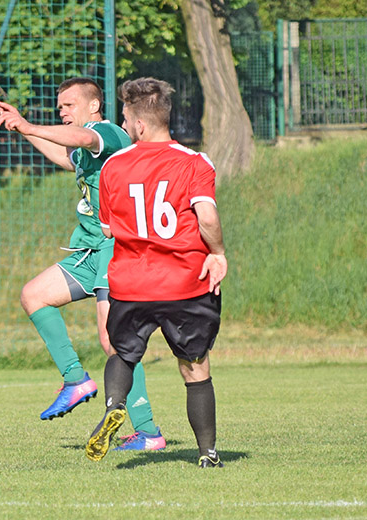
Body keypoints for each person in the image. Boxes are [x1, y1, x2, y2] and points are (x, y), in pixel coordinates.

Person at [0, 77, 165, 451]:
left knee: (113, 341)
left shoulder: (109, 133)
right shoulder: (85, 148)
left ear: (94, 106)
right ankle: (75, 380)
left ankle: (148, 432)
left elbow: (84, 138)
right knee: (34, 295)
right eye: (60, 107)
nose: (62, 112)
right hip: (89, 251)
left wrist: (29, 125)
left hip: (115, 248)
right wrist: (22, 129)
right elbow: (64, 155)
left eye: (69, 105)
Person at [85, 77, 228, 468]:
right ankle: (208, 453)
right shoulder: (195, 162)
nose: (124, 126)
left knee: (123, 354)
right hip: (184, 282)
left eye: (125, 119)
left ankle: (115, 404)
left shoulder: (113, 166)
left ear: (139, 124)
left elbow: (108, 228)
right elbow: (207, 216)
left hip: (131, 283)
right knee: (195, 365)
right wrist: (217, 253)